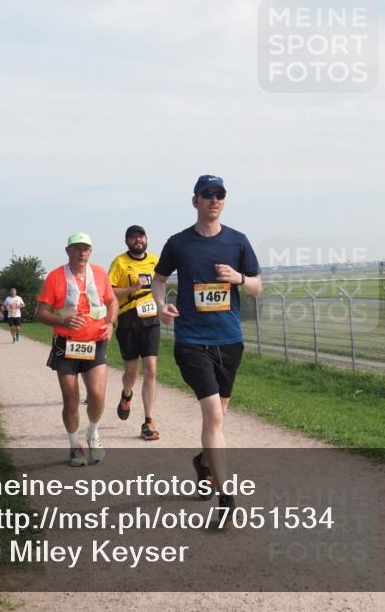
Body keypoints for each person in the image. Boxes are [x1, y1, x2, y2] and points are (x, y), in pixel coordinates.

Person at [153, 176, 261, 515]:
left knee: (218, 417)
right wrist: (160, 305)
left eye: (220, 194)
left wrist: (239, 278)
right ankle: (226, 496)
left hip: (229, 340)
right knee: (213, 414)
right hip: (191, 341)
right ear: (195, 201)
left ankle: (203, 462)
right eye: (208, 194)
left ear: (224, 201)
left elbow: (257, 286)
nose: (214, 199)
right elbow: (159, 279)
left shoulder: (238, 241)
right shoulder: (178, 243)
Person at [35, 233, 118, 467]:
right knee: (71, 400)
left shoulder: (99, 273)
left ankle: (93, 432)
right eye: (77, 248)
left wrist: (111, 323)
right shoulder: (55, 277)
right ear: (68, 251)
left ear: (91, 251)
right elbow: (39, 313)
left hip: (95, 342)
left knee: (98, 394)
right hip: (66, 344)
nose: (82, 253)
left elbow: (112, 301)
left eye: (86, 249)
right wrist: (62, 320)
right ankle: (74, 445)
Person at [108, 225, 161, 440]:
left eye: (141, 236)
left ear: (146, 238)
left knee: (151, 368)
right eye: (133, 237)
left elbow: (161, 284)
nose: (138, 240)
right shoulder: (119, 262)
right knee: (131, 371)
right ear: (126, 241)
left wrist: (163, 305)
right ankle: (126, 394)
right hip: (128, 321)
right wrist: (131, 289)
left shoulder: (155, 260)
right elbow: (109, 291)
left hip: (151, 320)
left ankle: (148, 421)